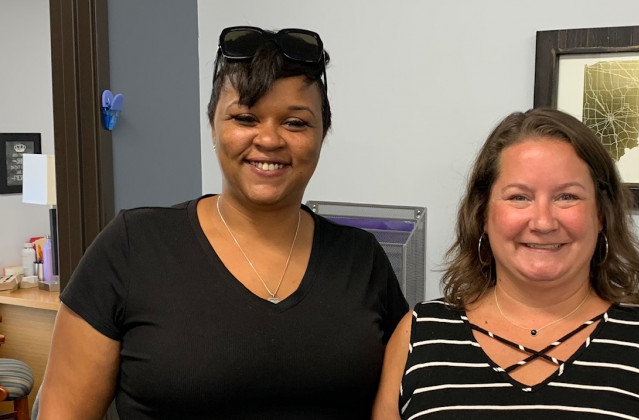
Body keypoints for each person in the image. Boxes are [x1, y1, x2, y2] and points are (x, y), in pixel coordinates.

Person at [37, 26, 408, 419]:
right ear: (213, 125)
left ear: (322, 133)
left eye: (295, 122)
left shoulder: (362, 259)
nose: (269, 139)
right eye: (245, 117)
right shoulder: (133, 247)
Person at [373, 108, 639, 419]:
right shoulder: (419, 334)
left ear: (601, 215)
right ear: (483, 214)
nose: (543, 221)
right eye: (519, 197)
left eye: (567, 196)